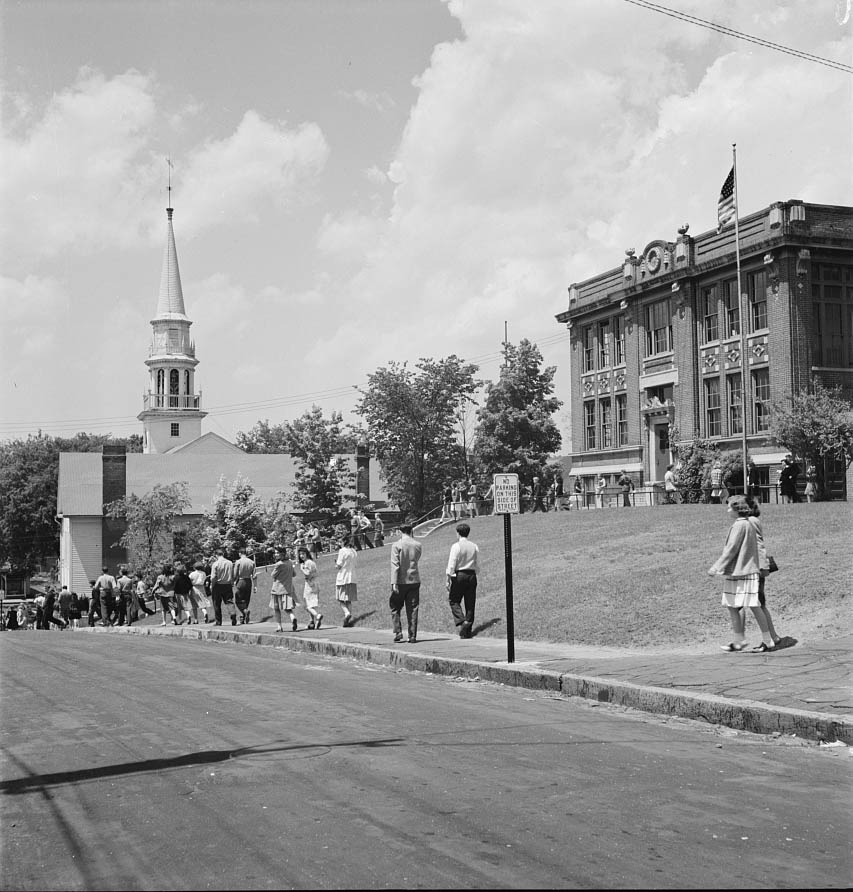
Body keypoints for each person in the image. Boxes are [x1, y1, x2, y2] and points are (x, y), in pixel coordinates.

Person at [707, 495, 766, 652]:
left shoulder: (740, 526)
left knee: (746, 605)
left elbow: (731, 549)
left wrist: (716, 566)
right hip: (743, 570)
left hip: (741, 571)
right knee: (737, 605)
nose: (727, 510)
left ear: (736, 509)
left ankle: (750, 639)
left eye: (729, 508)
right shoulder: (746, 524)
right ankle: (740, 639)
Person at [745, 496, 795, 651]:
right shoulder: (751, 521)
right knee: (760, 604)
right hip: (755, 567)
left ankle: (768, 640)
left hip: (756, 568)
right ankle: (773, 636)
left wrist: (762, 566)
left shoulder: (751, 522)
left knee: (755, 604)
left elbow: (758, 545)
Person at [446, 522, 480, 639]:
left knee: (454, 600)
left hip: (459, 575)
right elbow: (476, 563)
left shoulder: (456, 546)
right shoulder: (474, 546)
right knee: (470, 603)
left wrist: (448, 578)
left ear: (458, 533)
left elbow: (452, 564)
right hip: (471, 575)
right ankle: (468, 629)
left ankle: (461, 621)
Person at [390, 522, 422, 643]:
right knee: (413, 608)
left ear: (400, 531)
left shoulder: (396, 545)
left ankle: (398, 631)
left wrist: (394, 582)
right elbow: (417, 559)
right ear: (411, 530)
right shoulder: (418, 544)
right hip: (414, 579)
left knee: (395, 606)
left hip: (400, 580)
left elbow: (395, 565)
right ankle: (412, 635)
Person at [269, 548, 298, 632]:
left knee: (276, 608)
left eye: (277, 553)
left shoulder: (279, 564)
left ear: (282, 554)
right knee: (287, 608)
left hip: (277, 589)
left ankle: (279, 626)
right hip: (288, 588)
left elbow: (273, 575)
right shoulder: (289, 562)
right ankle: (292, 617)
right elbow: (294, 574)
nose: (276, 554)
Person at [296, 546, 323, 629]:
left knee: (307, 606)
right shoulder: (311, 562)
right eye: (300, 554)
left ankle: (317, 616)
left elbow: (307, 573)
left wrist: (302, 568)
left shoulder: (307, 563)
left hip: (310, 585)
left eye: (303, 554)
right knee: (311, 604)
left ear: (307, 553)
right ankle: (311, 622)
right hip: (314, 584)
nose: (301, 556)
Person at [209, 547, 237, 626]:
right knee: (229, 601)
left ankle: (218, 621)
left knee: (217, 603)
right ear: (223, 554)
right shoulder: (230, 563)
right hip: (227, 585)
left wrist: (212, 585)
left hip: (218, 585)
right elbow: (232, 574)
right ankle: (233, 614)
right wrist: (232, 583)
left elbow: (213, 577)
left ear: (216, 555)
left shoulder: (215, 564)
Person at [334, 534, 358, 627]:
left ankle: (347, 613)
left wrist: (336, 565)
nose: (339, 543)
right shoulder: (354, 551)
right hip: (352, 577)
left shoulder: (342, 551)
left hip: (343, 577)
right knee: (348, 600)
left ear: (344, 542)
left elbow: (339, 565)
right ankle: (348, 620)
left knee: (340, 599)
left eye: (340, 541)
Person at [233, 548, 256, 623]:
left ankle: (245, 611)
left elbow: (235, 574)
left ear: (240, 553)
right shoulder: (252, 562)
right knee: (246, 600)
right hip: (248, 581)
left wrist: (233, 581)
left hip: (241, 581)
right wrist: (255, 585)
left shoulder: (238, 562)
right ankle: (243, 617)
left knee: (238, 600)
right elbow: (254, 575)